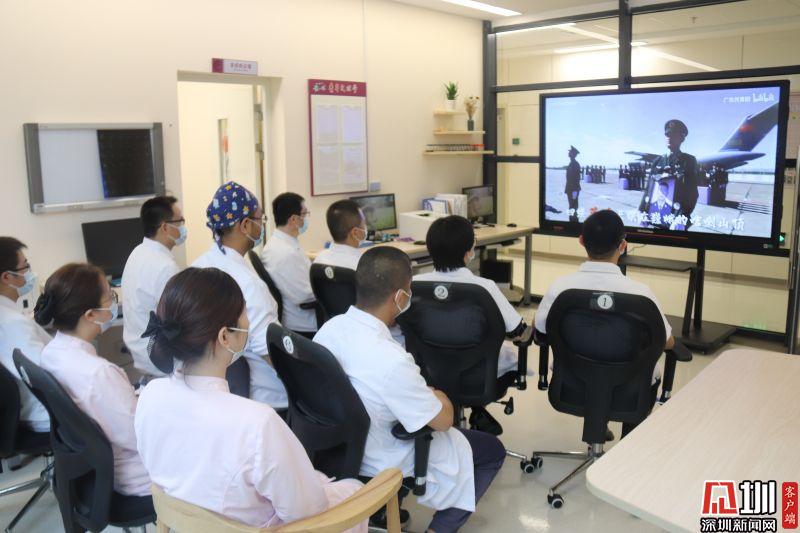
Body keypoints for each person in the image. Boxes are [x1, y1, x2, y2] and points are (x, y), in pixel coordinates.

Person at [134, 267, 364, 531]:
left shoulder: (150, 395)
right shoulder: (256, 423)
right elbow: (308, 512)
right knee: (353, 488)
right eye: (245, 313)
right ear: (225, 336)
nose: (248, 324)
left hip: (185, 524)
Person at [314, 246, 506, 533]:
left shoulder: (329, 329)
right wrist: (438, 395)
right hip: (381, 456)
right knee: (491, 451)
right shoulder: (391, 360)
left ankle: (381, 509)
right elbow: (443, 421)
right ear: (400, 297)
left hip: (337, 449)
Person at [34, 263, 149, 496]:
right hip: (135, 474)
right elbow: (137, 437)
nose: (114, 302)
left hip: (94, 467)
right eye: (109, 297)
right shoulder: (99, 373)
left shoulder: (51, 353)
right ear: (90, 314)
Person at [413, 215, 530, 436]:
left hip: (428, 374)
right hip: (480, 378)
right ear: (469, 252)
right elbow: (518, 331)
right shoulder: (484, 287)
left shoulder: (413, 286)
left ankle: (465, 416)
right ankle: (475, 411)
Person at [535, 209, 674, 385]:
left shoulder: (560, 288)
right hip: (630, 388)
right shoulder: (642, 294)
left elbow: (540, 328)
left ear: (581, 241)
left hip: (571, 384)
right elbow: (667, 342)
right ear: (623, 246)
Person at [192, 181, 286, 409]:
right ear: (245, 225)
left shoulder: (196, 267)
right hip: (265, 398)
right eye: (260, 219)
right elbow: (270, 351)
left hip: (214, 390)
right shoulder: (247, 284)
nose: (261, 226)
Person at [121, 196, 183, 378]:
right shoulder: (165, 267)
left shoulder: (137, 252)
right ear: (165, 227)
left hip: (140, 350)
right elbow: (179, 319)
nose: (183, 227)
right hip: (161, 358)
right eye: (180, 221)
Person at [0, 237, 50, 432]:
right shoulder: (12, 323)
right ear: (7, 277)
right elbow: (46, 375)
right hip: (44, 413)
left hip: (28, 408)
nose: (29, 273)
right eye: (25, 267)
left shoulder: (8, 315)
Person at [261, 193, 316, 337]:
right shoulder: (286, 253)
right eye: (305, 214)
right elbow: (305, 295)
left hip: (296, 318)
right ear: (293, 219)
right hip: (305, 324)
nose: (306, 218)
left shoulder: (281, 244)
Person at [638, 119, 699, 230]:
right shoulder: (657, 162)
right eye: (667, 134)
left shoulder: (688, 161)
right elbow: (648, 190)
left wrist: (682, 217)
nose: (669, 137)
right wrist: (642, 210)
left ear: (682, 139)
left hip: (675, 221)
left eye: (674, 135)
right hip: (654, 219)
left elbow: (693, 194)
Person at [313, 199, 367, 271]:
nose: (365, 228)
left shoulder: (319, 259)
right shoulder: (363, 264)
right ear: (355, 233)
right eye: (364, 224)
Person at [565, 146, 581, 222]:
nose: (569, 153)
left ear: (573, 154)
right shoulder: (571, 163)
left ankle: (574, 222)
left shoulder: (575, 164)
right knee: (572, 206)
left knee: (573, 206)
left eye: (570, 152)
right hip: (571, 189)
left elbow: (577, 178)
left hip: (573, 190)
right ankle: (572, 221)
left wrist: (574, 191)